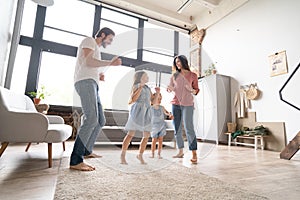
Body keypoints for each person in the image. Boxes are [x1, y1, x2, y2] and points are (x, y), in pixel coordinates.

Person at [70, 27, 122, 171]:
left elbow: (90, 64)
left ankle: (87, 150)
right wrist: (110, 63)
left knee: (100, 121)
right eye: (110, 39)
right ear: (103, 35)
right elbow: (88, 61)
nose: (110, 42)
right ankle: (75, 160)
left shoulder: (96, 48)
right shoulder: (89, 40)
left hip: (92, 83)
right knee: (91, 119)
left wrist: (98, 75)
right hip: (85, 82)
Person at [120, 70, 159, 165]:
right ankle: (122, 155)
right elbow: (133, 99)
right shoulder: (136, 86)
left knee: (146, 135)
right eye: (146, 76)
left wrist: (157, 93)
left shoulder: (148, 88)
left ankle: (140, 155)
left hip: (147, 112)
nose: (148, 77)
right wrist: (140, 88)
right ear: (141, 77)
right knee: (131, 133)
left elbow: (153, 102)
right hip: (137, 111)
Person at [167, 55, 199, 164]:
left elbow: (196, 90)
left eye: (179, 62)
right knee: (177, 129)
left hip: (188, 105)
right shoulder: (174, 76)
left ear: (184, 62)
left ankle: (194, 152)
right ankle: (180, 151)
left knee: (189, 128)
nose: (177, 64)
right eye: (176, 63)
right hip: (175, 104)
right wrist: (169, 88)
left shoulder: (193, 75)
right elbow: (170, 88)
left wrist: (191, 89)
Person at [150, 92, 174, 159]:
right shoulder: (150, 108)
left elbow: (167, 113)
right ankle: (152, 153)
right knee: (154, 141)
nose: (160, 100)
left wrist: (170, 115)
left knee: (160, 141)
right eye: (158, 99)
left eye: (160, 99)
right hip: (154, 127)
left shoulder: (162, 107)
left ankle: (159, 154)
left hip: (162, 126)